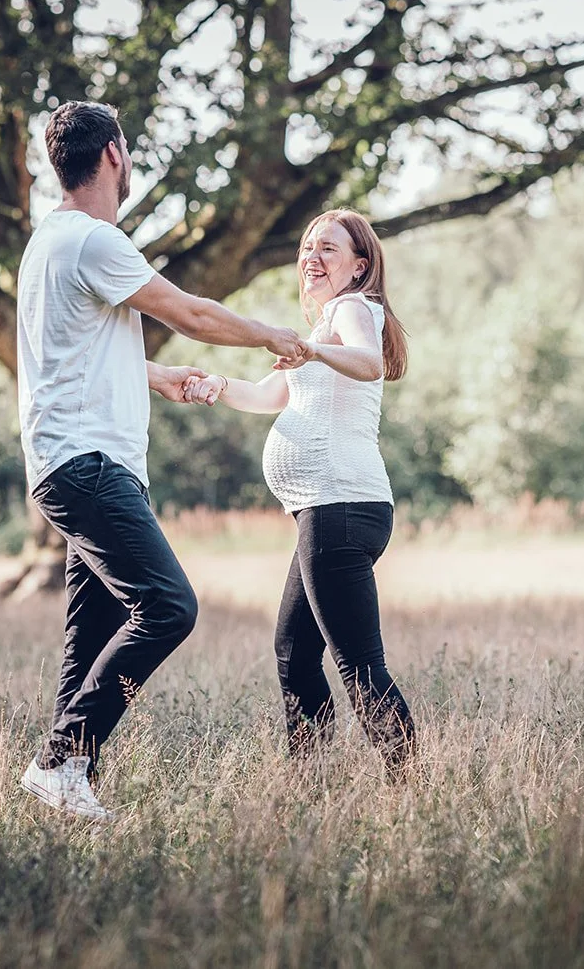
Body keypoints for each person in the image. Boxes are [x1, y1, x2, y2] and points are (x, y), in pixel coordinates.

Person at [16, 101, 310, 821]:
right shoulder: (95, 240)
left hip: (67, 463)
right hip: (89, 465)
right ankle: (59, 756)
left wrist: (157, 376)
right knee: (169, 606)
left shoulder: (48, 242)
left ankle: (67, 784)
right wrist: (271, 334)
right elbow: (194, 313)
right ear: (113, 155)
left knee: (89, 636)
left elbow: (69, 355)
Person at [182, 208, 416, 771]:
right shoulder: (321, 329)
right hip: (326, 509)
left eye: (328, 248)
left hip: (341, 504)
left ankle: (411, 787)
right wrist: (215, 383)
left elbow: (368, 363)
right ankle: (309, 780)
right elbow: (268, 396)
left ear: (359, 266)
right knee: (294, 652)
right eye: (308, 247)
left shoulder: (353, 308)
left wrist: (314, 352)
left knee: (358, 663)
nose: (312, 257)